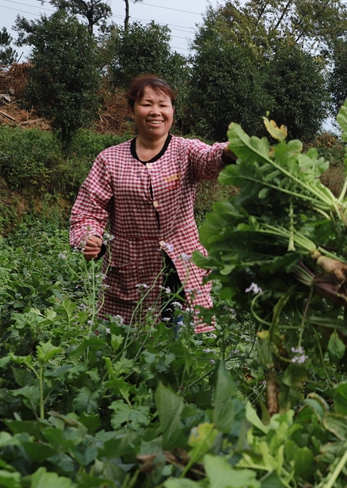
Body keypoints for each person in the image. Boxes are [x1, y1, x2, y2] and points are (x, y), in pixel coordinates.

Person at [69, 75, 236, 332]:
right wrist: (89, 237)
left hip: (182, 269)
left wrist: (228, 151)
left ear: (172, 111)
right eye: (147, 104)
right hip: (129, 273)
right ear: (132, 110)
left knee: (185, 345)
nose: (155, 112)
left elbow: (209, 159)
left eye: (163, 105)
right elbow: (88, 210)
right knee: (129, 344)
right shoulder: (109, 160)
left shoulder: (185, 150)